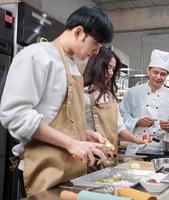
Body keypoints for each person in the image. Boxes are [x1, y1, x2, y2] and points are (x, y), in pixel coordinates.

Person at [0, 5, 114, 196]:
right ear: (79, 32)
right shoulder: (37, 56)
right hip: (44, 170)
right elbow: (15, 115)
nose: (97, 51)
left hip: (69, 170)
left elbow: (52, 116)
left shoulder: (72, 65)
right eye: (97, 43)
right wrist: (71, 143)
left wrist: (82, 133)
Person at [83, 47, 150, 161]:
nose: (110, 73)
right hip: (91, 158)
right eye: (108, 67)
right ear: (96, 65)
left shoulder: (109, 95)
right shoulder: (83, 94)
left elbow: (119, 128)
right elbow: (75, 130)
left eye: (113, 69)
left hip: (110, 157)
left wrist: (135, 139)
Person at [119, 49, 169, 155]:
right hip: (135, 148)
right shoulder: (133, 92)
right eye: (155, 72)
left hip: (160, 150)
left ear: (167, 75)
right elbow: (121, 117)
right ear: (148, 70)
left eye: (163, 74)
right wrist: (138, 122)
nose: (158, 77)